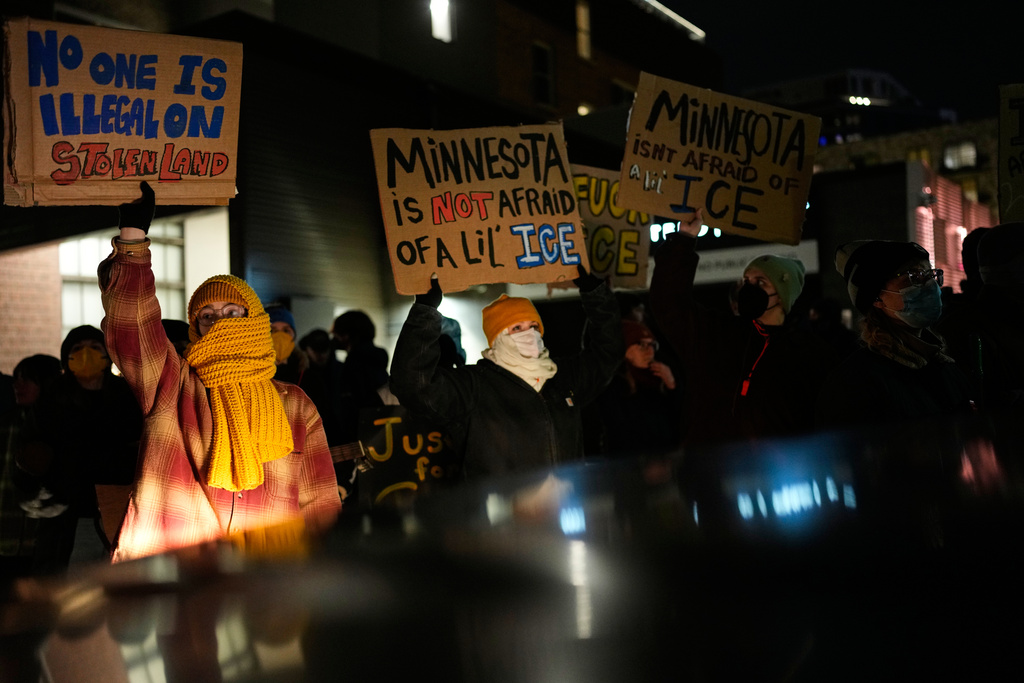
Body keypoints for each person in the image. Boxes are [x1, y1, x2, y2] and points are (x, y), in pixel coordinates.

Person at [100, 182, 341, 561]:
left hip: (268, 579)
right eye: (208, 316)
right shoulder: (173, 386)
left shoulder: (295, 405)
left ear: (255, 319)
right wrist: (133, 237)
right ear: (197, 330)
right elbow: (133, 329)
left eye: (232, 312)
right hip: (179, 576)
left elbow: (320, 501)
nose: (221, 322)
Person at [389, 267, 623, 481]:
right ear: (498, 338)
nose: (529, 334)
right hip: (503, 520)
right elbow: (413, 385)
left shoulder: (561, 378)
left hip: (565, 511)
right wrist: (425, 312)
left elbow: (608, 353)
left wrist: (596, 295)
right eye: (517, 328)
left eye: (533, 326)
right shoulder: (475, 386)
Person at [648, 209, 836, 449]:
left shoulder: (808, 352)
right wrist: (683, 240)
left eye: (761, 283)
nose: (749, 289)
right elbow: (669, 303)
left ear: (783, 295)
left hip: (774, 474)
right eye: (746, 282)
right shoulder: (716, 333)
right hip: (710, 470)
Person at [17, 327, 142, 571]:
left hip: (118, 512)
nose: (86, 354)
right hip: (67, 516)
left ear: (107, 356)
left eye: (95, 348)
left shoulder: (126, 396)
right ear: (67, 358)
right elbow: (29, 453)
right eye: (77, 349)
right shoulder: (50, 399)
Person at [817, 239, 972, 427]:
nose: (930, 285)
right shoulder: (856, 383)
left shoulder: (943, 364)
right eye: (913, 277)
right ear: (876, 298)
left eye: (929, 274)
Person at [1, 355, 61, 579]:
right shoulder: (6, 423)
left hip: (38, 540)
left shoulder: (58, 425)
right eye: (17, 379)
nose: (17, 385)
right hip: (6, 535)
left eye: (27, 379)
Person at [589, 319, 681, 458]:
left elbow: (676, 425)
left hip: (664, 464)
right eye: (641, 344)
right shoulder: (610, 386)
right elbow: (618, 434)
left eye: (652, 345)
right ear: (624, 347)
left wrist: (672, 385)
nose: (649, 351)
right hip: (630, 468)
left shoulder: (655, 380)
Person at [267, 305, 308, 385]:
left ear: (294, 336)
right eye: (272, 331)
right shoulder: (249, 376)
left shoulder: (309, 379)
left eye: (286, 331)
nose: (280, 337)